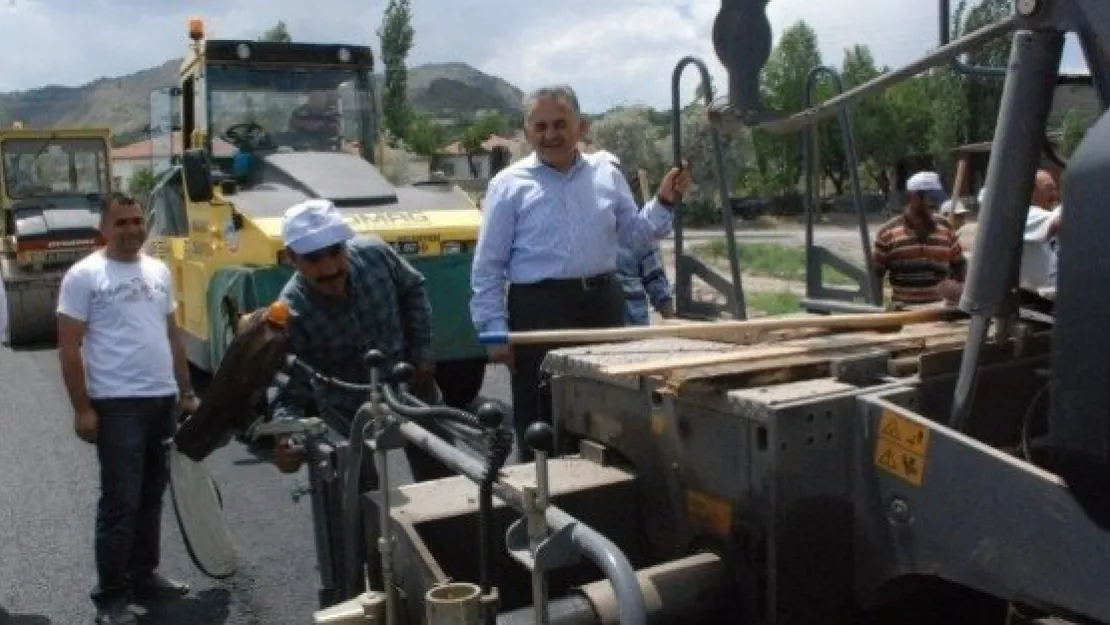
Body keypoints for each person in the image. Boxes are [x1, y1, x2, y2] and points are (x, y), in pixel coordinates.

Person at [469, 85, 691, 460]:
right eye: (540, 126)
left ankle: (602, 500)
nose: (551, 134)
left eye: (560, 123)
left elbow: (636, 238)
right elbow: (488, 266)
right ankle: (541, 506)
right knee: (540, 422)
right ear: (527, 131)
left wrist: (665, 200)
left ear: (581, 126)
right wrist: (492, 329)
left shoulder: (607, 173)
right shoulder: (507, 186)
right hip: (537, 314)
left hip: (601, 308)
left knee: (606, 414)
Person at [56, 192, 196, 625]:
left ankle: (144, 575)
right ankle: (111, 596)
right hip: (117, 406)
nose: (132, 229)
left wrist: (186, 390)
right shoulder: (84, 276)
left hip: (162, 400)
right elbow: (69, 349)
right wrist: (82, 409)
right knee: (120, 503)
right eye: (121, 223)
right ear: (103, 229)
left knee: (152, 496)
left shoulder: (158, 271)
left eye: (137, 221)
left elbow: (172, 336)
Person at [268, 198, 451, 482]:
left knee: (444, 475)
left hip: (411, 385)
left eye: (334, 252)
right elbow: (290, 390)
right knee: (358, 500)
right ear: (291, 259)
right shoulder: (293, 311)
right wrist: (287, 438)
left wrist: (422, 353)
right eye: (314, 260)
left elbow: (413, 290)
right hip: (347, 413)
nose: (329, 269)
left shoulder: (376, 255)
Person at [872, 171, 967, 306]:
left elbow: (959, 266)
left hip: (941, 314)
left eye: (937, 199)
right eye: (930, 198)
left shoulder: (946, 228)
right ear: (914, 197)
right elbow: (876, 274)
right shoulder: (887, 233)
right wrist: (877, 308)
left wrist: (960, 299)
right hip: (904, 314)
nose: (934, 205)